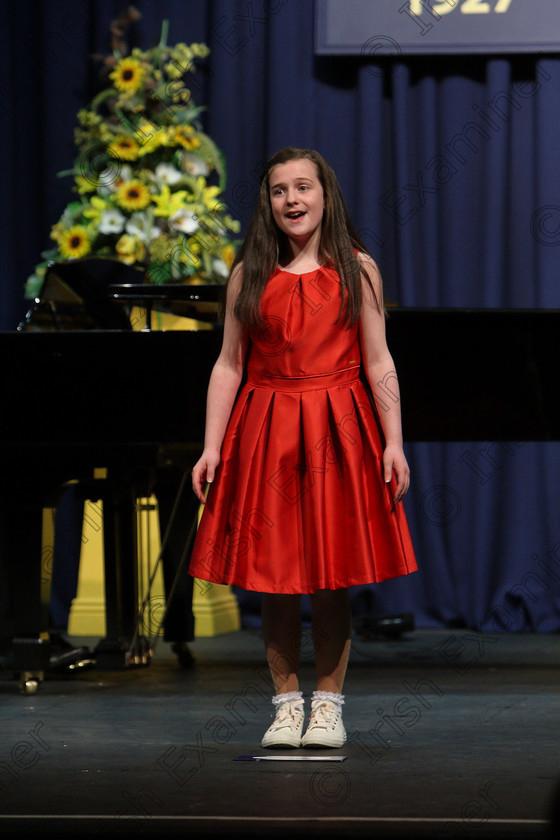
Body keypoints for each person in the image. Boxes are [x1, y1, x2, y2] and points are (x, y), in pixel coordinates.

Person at [189, 147, 417, 749]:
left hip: (337, 431)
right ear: (267, 203)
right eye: (279, 190)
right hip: (267, 433)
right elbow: (228, 366)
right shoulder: (250, 275)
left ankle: (329, 705)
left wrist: (393, 442)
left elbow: (378, 360)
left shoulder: (357, 269)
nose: (292, 200)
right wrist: (211, 447)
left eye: (303, 187)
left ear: (325, 194)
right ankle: (286, 706)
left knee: (329, 576)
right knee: (276, 576)